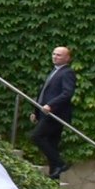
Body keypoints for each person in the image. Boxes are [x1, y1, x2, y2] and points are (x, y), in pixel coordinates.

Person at [30, 45, 75, 178]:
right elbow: (44, 93)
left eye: (59, 55)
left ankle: (60, 163)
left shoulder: (67, 72)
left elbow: (67, 93)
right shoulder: (54, 71)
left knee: (36, 136)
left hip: (55, 114)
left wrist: (51, 105)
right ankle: (54, 173)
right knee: (51, 143)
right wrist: (36, 111)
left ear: (67, 58)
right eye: (54, 54)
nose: (55, 57)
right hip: (45, 112)